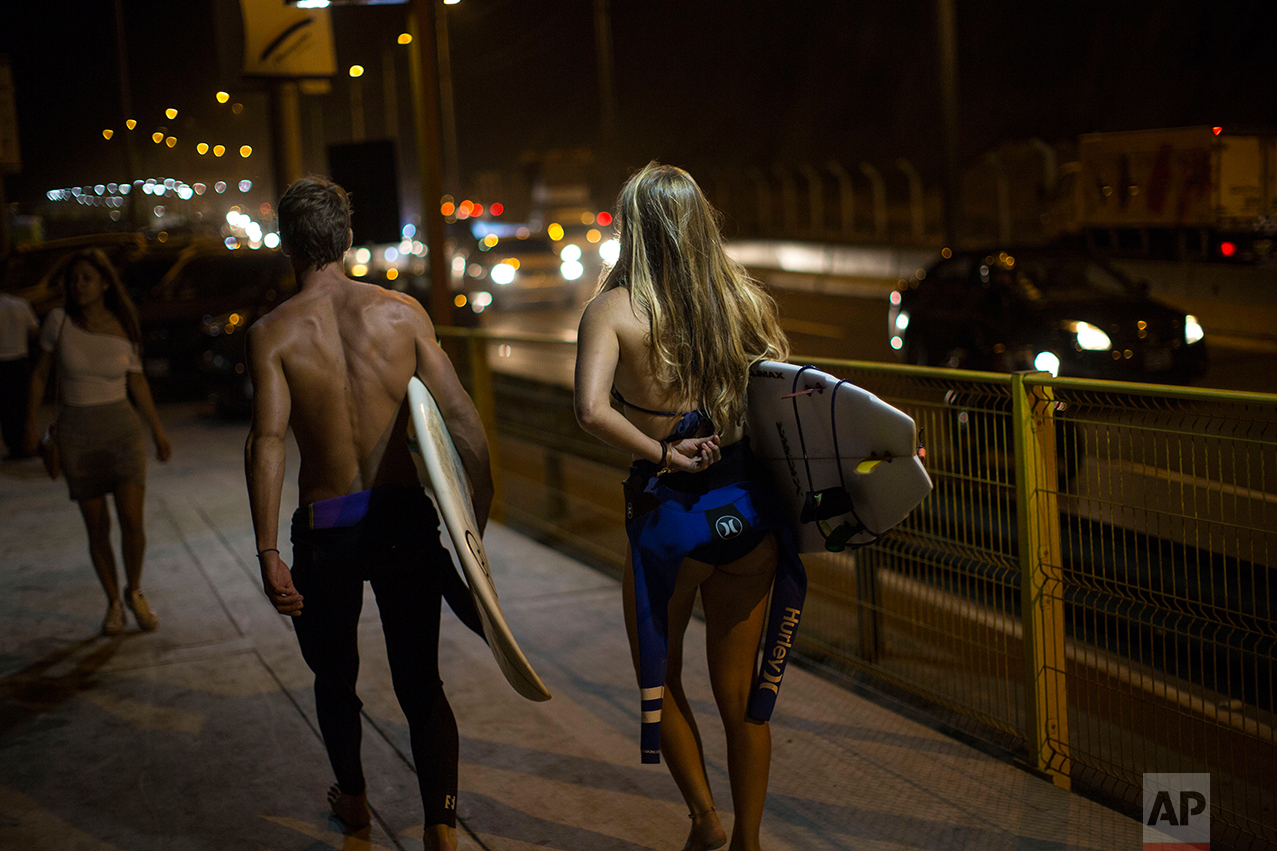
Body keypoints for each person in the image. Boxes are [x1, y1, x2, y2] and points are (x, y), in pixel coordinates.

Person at [244, 176, 493, 851]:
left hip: (328, 529)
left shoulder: (272, 333)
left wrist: (267, 549)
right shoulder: (402, 314)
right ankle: (440, 822)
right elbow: (463, 424)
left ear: (287, 246)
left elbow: (266, 440)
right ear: (347, 239)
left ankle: (353, 801)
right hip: (404, 519)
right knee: (421, 678)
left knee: (334, 675)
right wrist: (476, 533)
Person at [574, 162, 806, 851]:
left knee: (662, 675)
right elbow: (787, 399)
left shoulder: (613, 310)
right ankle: (750, 839)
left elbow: (589, 412)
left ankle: (704, 820)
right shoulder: (743, 301)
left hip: (671, 523)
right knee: (740, 697)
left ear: (632, 228)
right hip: (747, 517)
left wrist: (663, 453)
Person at [24, 248, 172, 634]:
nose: (78, 285)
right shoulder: (58, 321)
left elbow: (137, 380)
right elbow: (40, 375)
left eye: (87, 277)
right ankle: (112, 603)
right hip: (77, 434)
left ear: (105, 282)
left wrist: (157, 430)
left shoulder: (124, 323)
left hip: (122, 431)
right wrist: (29, 423)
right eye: (73, 279)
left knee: (132, 522)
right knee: (97, 526)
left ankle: (134, 591)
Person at [0, 290, 39, 459]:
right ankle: (27, 443)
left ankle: (15, 447)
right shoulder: (21, 304)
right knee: (22, 402)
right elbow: (34, 330)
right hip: (21, 359)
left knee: (6, 407)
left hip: (1, 360)